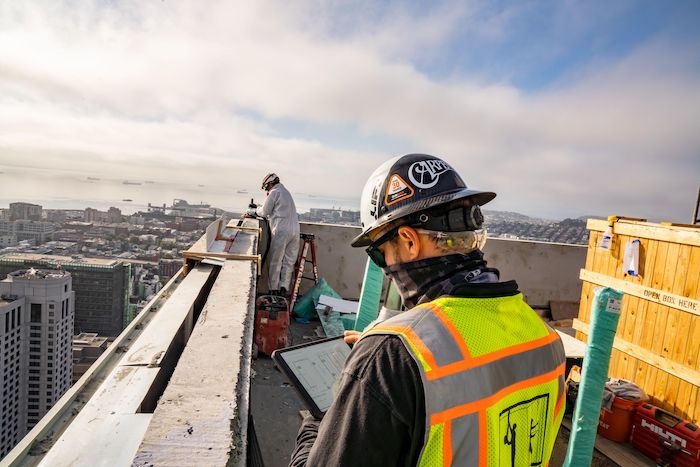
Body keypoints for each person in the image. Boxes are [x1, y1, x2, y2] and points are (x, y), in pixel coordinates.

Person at [289, 154, 566, 466]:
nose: (386, 267)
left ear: (408, 241)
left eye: (380, 256)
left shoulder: (390, 355)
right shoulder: (545, 338)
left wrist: (323, 414)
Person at [257, 173, 300, 296]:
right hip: (295, 230)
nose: (267, 189)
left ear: (270, 183)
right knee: (289, 261)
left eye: (266, 187)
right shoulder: (286, 192)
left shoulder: (275, 192)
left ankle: (273, 290)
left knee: (276, 260)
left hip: (282, 230)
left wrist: (253, 210)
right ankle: (284, 288)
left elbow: (264, 212)